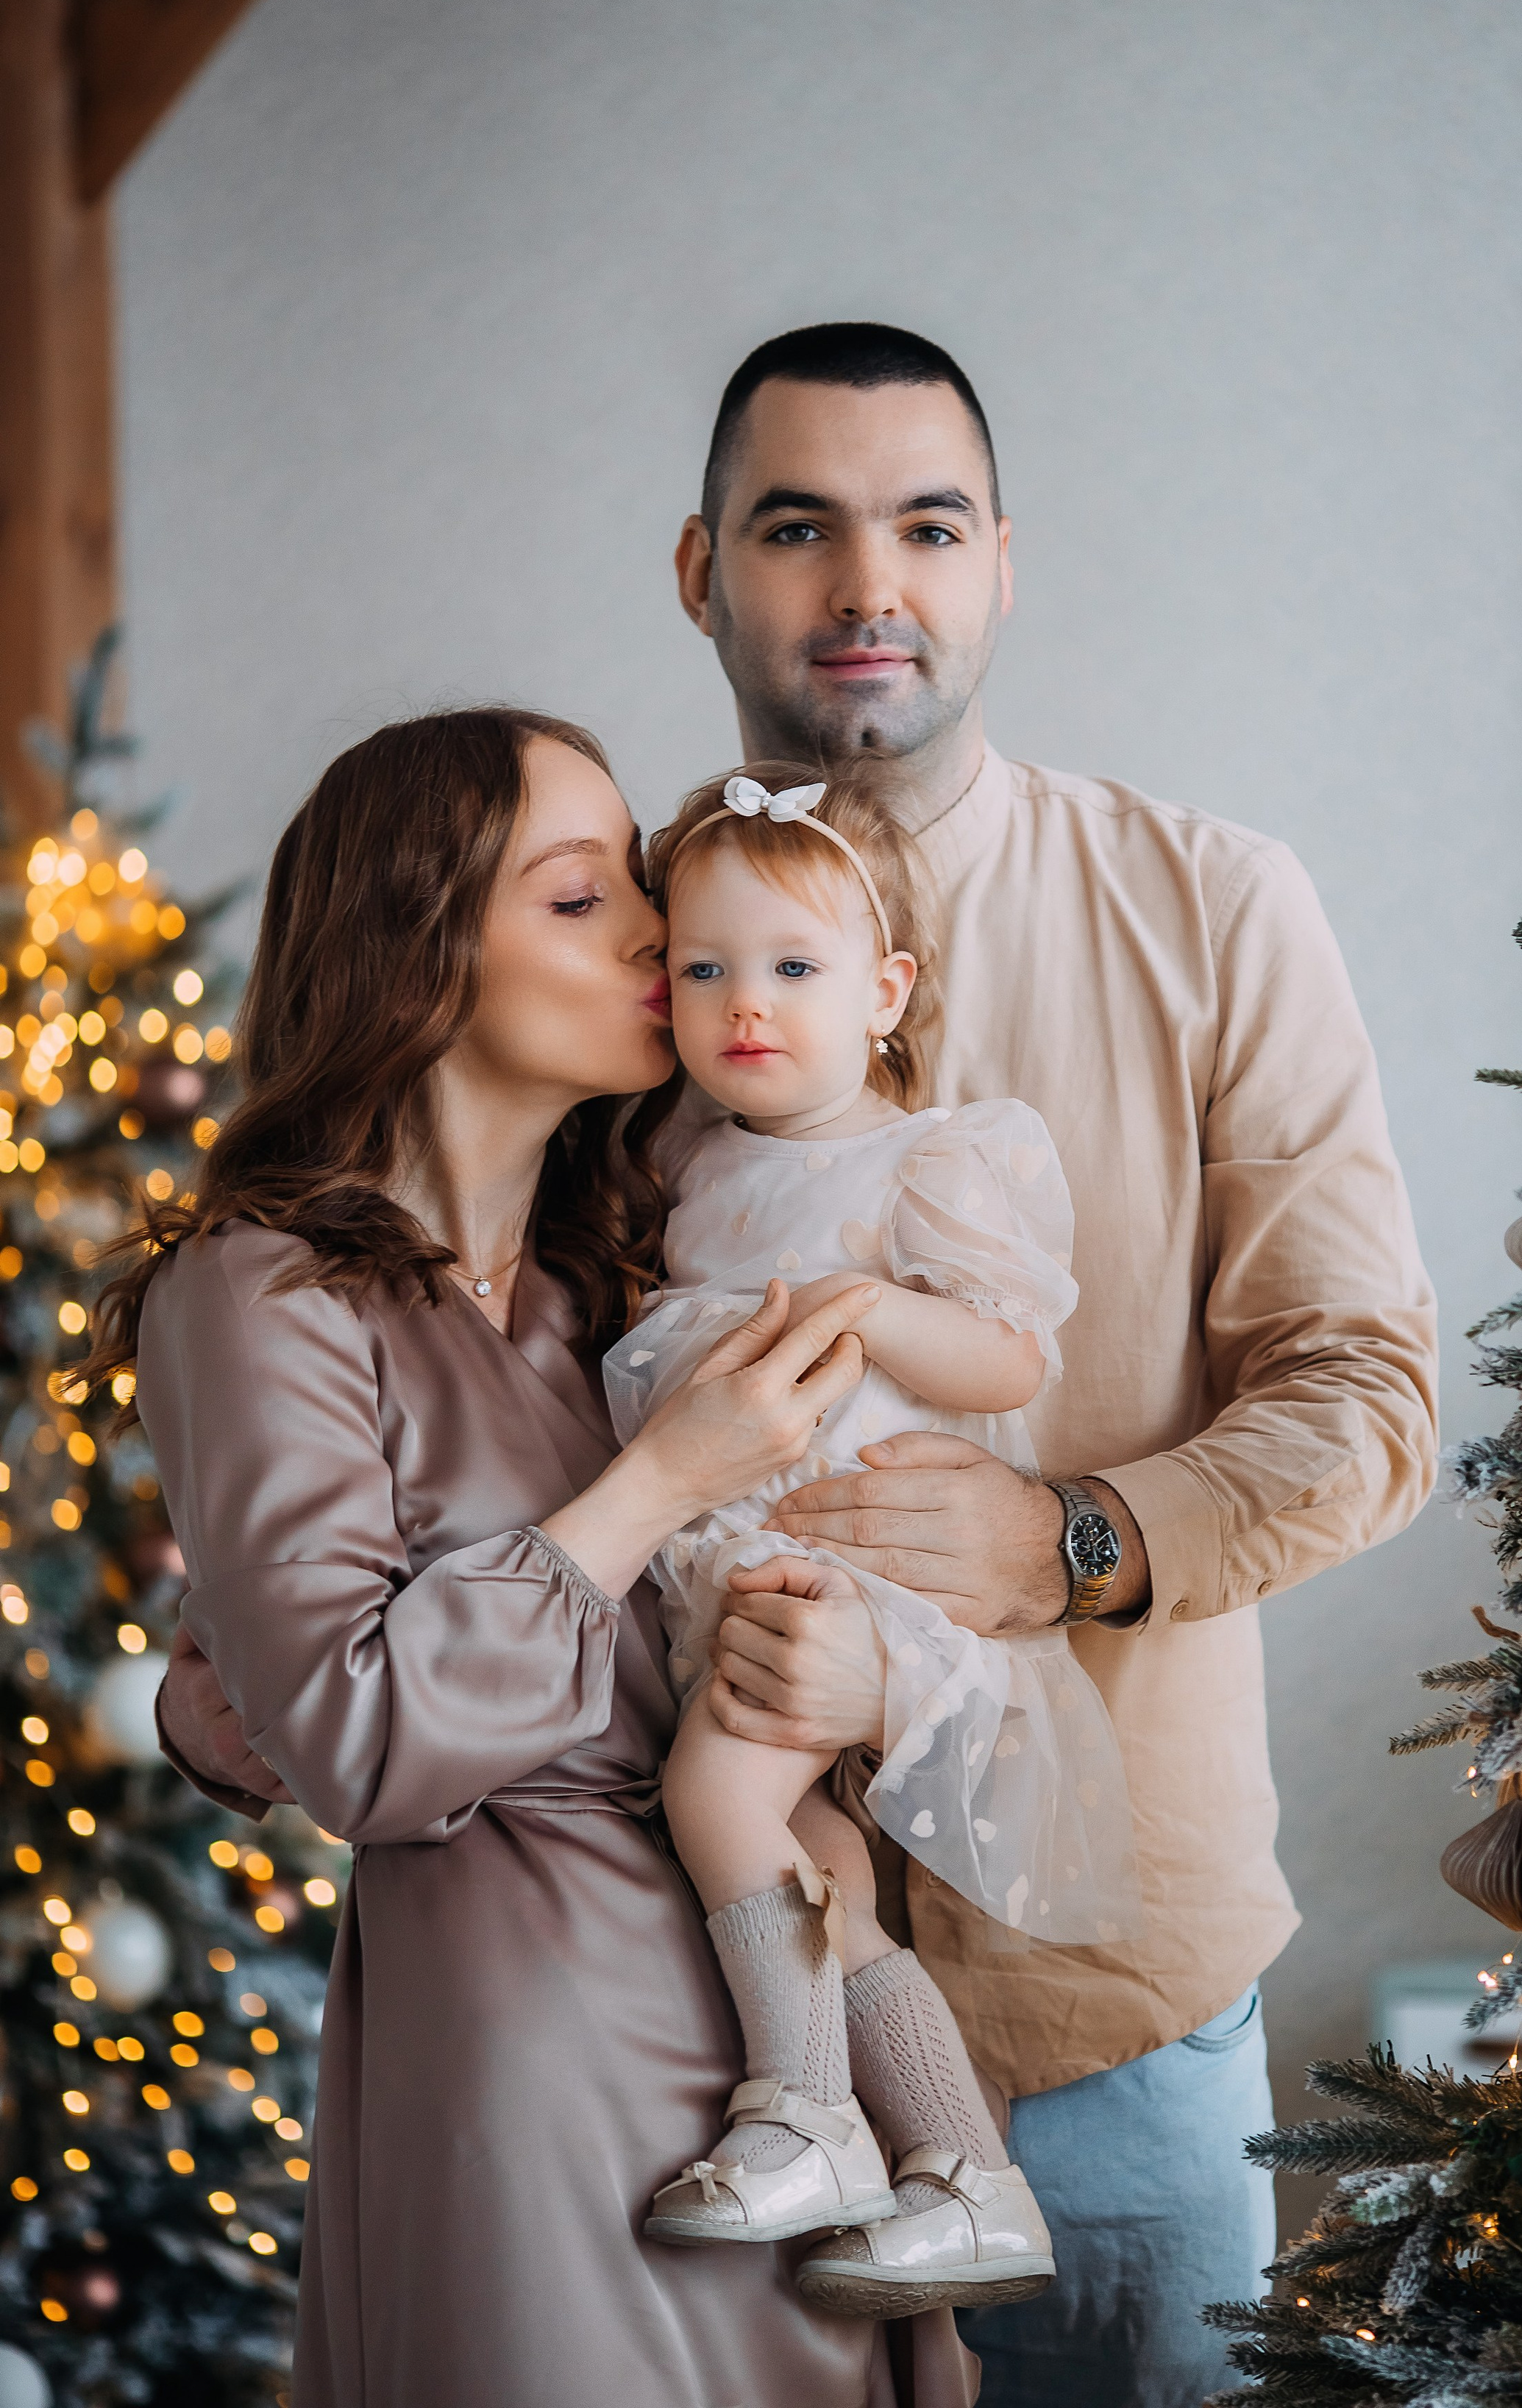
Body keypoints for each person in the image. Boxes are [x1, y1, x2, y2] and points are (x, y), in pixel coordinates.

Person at [671, 323, 1443, 2408]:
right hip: (714, 2039)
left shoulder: (1214, 908)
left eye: (925, 525)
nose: (867, 588)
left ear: (1002, 564)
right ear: (701, 571)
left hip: (1124, 2024)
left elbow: (1373, 1393)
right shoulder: (612, 942)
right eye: (797, 528)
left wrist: (1070, 1534)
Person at [102, 709, 974, 2408]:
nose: (659, 939)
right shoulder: (260, 1290)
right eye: (581, 902)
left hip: (779, 2024)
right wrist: (656, 1484)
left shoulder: (618, 1286)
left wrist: (866, 1670)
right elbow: (358, 1746)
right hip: (529, 2035)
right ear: (417, 955)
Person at [612, 762, 1130, 2315]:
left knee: (709, 1791)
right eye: (700, 969)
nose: (740, 1005)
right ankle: (970, 2181)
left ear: (885, 989)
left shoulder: (928, 1160)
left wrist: (880, 1307)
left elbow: (1013, 1361)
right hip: (742, 1568)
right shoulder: (693, 1166)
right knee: (821, 1861)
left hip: (856, 1570)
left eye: (789, 968)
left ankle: (802, 2114)